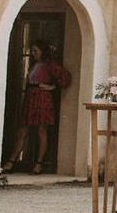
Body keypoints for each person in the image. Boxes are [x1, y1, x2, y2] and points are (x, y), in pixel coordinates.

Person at [5, 42, 70, 174]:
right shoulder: (34, 64)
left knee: (41, 130)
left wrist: (52, 87)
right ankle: (12, 161)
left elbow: (64, 77)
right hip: (31, 97)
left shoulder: (49, 65)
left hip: (42, 99)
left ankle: (38, 164)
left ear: (42, 51)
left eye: (35, 51)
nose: (33, 54)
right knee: (23, 130)